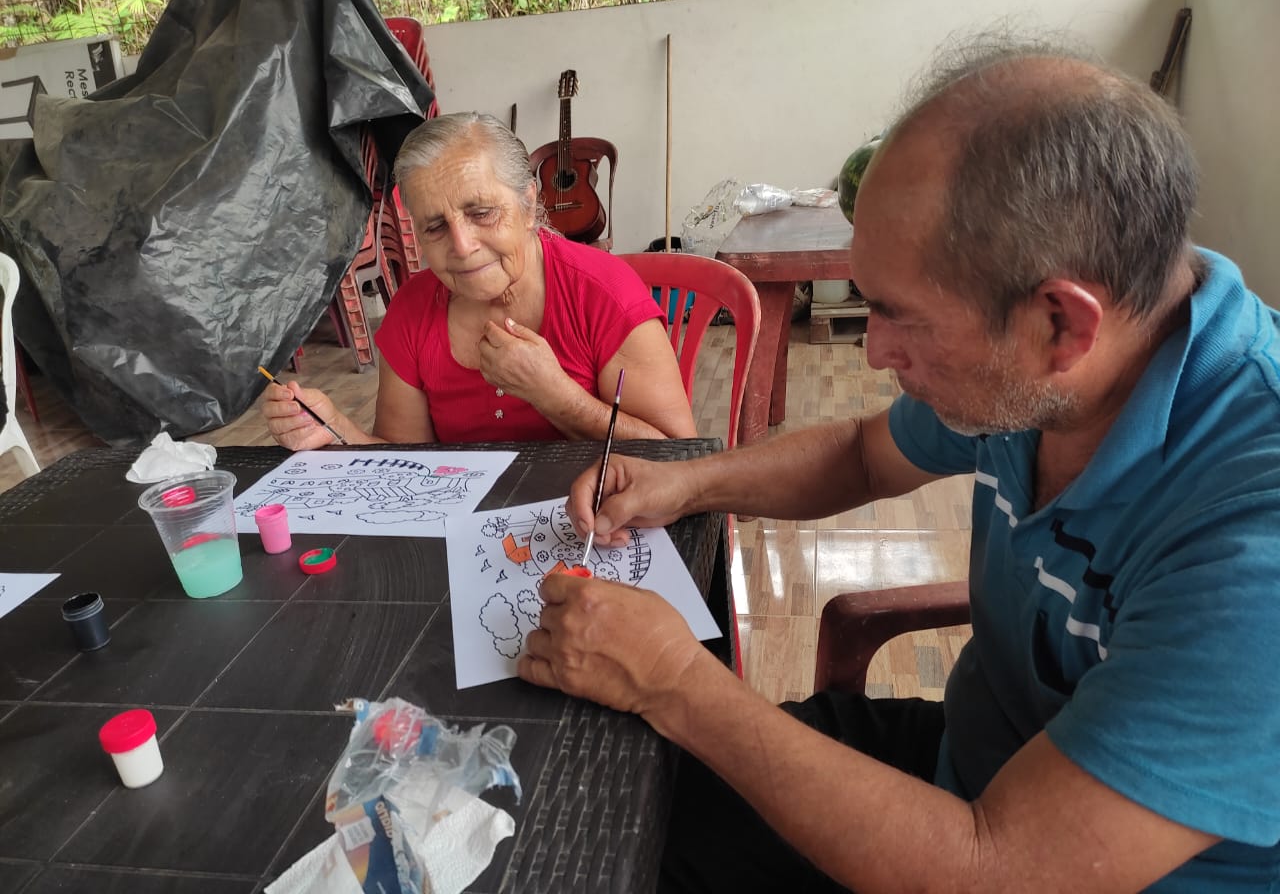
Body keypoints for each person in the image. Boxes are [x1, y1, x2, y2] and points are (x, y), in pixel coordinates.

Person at [518, 44, 1280, 892]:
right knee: (610, 812)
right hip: (972, 762)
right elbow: (862, 455)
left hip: (1018, 860)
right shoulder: (1044, 375)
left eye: (898, 316)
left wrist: (673, 682)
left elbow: (999, 871)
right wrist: (686, 482)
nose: (874, 350)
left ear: (1062, 324)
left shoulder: (1252, 548)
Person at [263, 112, 696, 446]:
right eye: (435, 227)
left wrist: (554, 394)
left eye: (482, 213)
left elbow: (679, 457)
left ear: (528, 204)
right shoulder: (412, 311)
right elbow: (404, 461)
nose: (463, 245)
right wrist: (336, 431)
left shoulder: (603, 293)